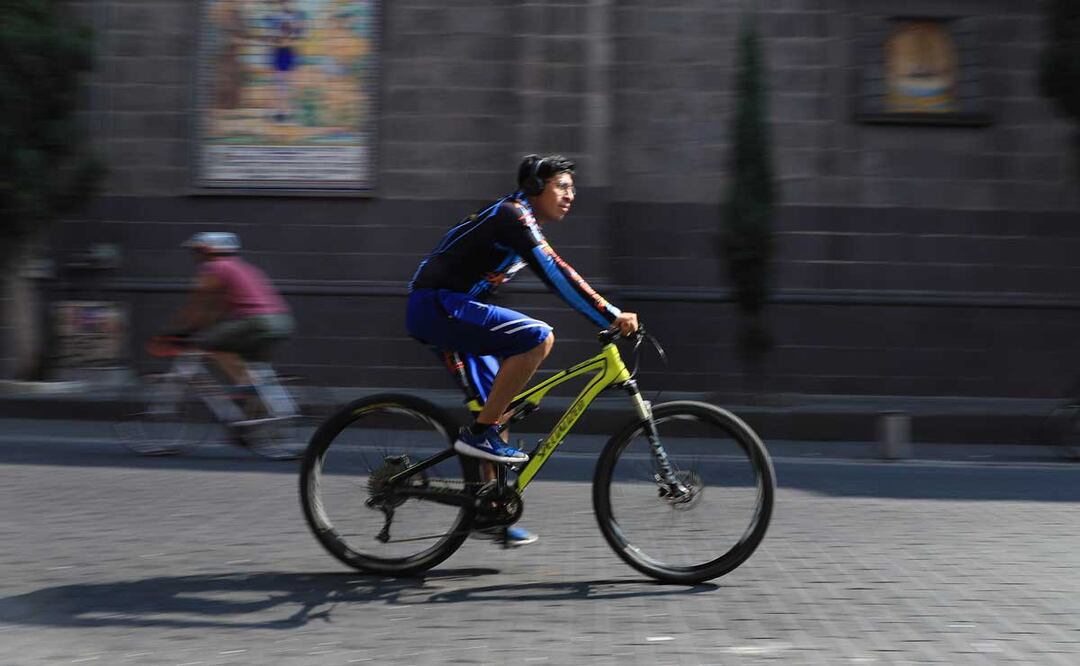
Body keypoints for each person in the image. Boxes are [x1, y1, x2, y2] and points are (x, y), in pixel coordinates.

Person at [406, 154, 639, 546]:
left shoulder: (520, 219)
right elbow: (556, 272)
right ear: (535, 187)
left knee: (497, 407)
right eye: (562, 187)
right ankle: (481, 436)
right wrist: (610, 314)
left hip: (453, 309)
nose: (570, 196)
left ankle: (489, 512)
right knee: (538, 337)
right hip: (438, 306)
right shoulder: (513, 215)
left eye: (573, 188)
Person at [166, 232, 294, 390]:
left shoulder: (215, 268)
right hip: (282, 321)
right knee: (255, 366)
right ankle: (262, 400)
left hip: (258, 322)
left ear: (207, 251)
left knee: (210, 344)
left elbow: (201, 305)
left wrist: (180, 331)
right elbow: (218, 309)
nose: (195, 256)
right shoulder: (244, 267)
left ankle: (249, 386)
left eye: (196, 251)